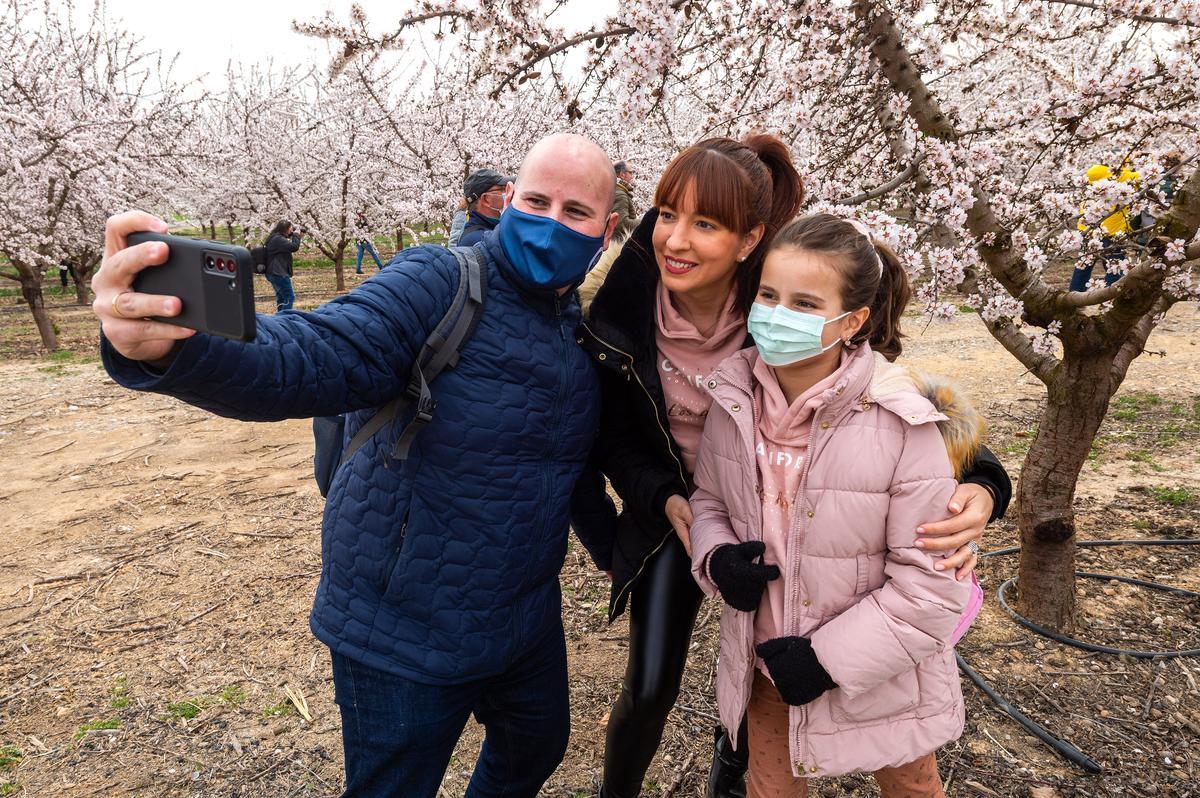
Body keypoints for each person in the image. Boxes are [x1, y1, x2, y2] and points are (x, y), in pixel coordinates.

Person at [90, 133, 619, 798]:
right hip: (402, 626)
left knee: (537, 745)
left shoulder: (578, 333)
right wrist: (177, 350)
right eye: (537, 201)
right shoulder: (441, 282)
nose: (550, 223)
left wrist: (614, 547)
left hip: (521, 620)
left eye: (575, 212)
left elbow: (567, 461)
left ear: (607, 228)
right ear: (508, 200)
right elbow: (314, 353)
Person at [573, 136, 1010, 798]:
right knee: (653, 679)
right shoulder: (624, 312)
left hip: (797, 509)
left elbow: (892, 399)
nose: (677, 240)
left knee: (777, 673)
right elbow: (614, 439)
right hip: (684, 510)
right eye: (667, 214)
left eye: (707, 223)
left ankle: (736, 766)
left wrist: (983, 482)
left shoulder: (783, 299)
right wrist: (665, 500)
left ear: (748, 241)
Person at [689, 213, 980, 796]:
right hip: (765, 659)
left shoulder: (902, 424)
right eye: (769, 295)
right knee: (771, 788)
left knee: (912, 787)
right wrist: (717, 555)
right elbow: (710, 499)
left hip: (882, 671)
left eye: (803, 304)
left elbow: (930, 587)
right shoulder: (732, 400)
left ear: (854, 321)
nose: (777, 315)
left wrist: (826, 660)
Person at [1069, 162, 1139, 292]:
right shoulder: (1115, 176)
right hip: (1111, 232)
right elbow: (1138, 177)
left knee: (1083, 265)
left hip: (1087, 229)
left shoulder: (1093, 174)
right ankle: (1111, 296)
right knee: (1115, 266)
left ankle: (1075, 294)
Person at [458, 168, 513, 247]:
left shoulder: (492, 229)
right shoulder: (478, 240)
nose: (507, 193)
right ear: (486, 199)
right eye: (502, 189)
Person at [264, 220, 302, 312]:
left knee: (281, 297)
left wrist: (295, 235)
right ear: (286, 229)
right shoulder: (278, 239)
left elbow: (287, 241)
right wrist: (296, 235)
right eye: (290, 228)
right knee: (289, 296)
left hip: (272, 273)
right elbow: (294, 247)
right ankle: (284, 318)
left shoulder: (274, 237)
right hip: (278, 273)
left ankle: (279, 319)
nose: (291, 230)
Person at [612, 160, 638, 241]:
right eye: (630, 172)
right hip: (618, 245)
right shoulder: (620, 194)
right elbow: (622, 224)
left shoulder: (616, 190)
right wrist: (646, 221)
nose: (632, 176)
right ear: (622, 174)